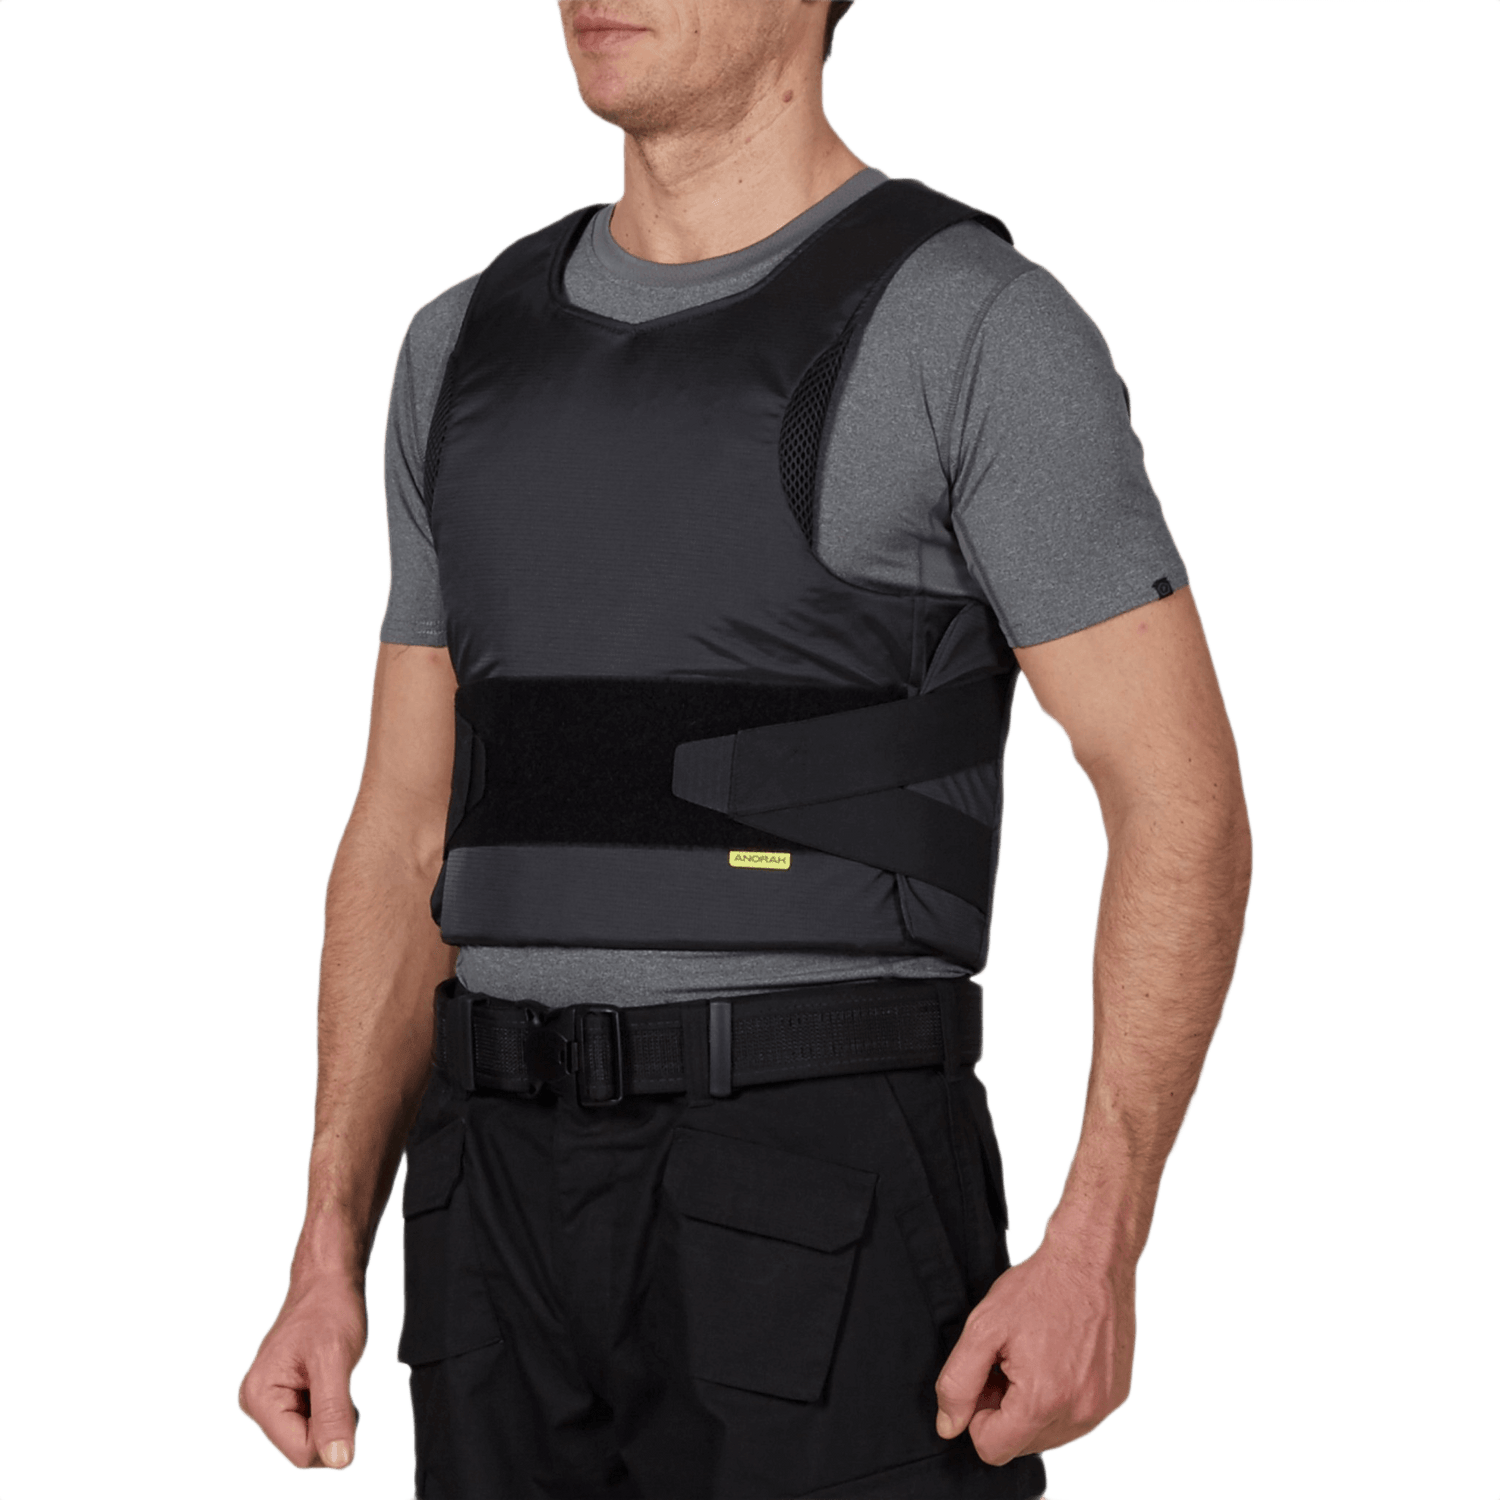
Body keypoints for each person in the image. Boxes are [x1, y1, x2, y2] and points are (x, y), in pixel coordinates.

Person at [237, 2, 1254, 1495]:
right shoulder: (456, 348)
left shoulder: (973, 326)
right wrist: (328, 1244)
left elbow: (1179, 798)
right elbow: (406, 824)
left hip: (817, 1175)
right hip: (492, 1207)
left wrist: (1098, 1243)